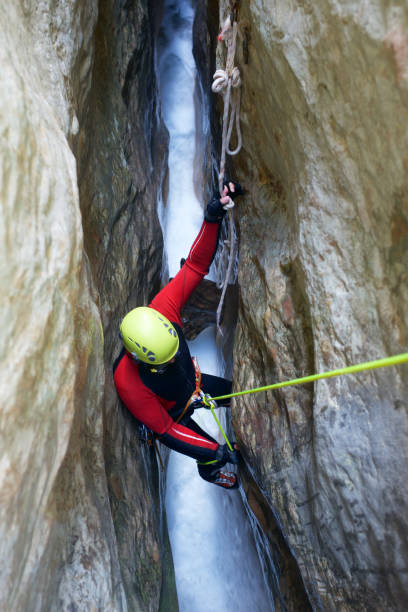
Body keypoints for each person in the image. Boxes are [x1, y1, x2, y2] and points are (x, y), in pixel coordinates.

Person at [113, 181, 243, 489]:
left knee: (233, 393)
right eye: (166, 360)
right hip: (171, 409)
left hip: (192, 382)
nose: (174, 357)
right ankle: (212, 472)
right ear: (140, 359)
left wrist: (213, 215)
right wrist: (216, 451)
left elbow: (196, 266)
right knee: (210, 455)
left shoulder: (164, 308)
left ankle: (215, 451)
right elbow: (168, 430)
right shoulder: (128, 382)